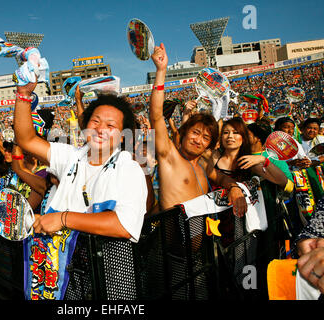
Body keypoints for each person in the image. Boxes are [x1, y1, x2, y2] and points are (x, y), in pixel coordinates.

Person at [14, 81, 148, 242]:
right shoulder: (70, 156)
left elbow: (124, 226)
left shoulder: (129, 168)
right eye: (95, 121)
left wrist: (63, 219)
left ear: (123, 135)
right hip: (60, 263)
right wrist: (23, 94)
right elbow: (26, 140)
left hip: (106, 264)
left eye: (110, 125)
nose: (100, 129)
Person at [149, 42, 247, 216]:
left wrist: (234, 187)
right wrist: (161, 71)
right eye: (195, 133)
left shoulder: (203, 164)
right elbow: (156, 116)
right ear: (184, 132)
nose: (198, 140)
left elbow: (222, 177)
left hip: (205, 241)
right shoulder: (169, 157)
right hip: (175, 242)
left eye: (205, 137)